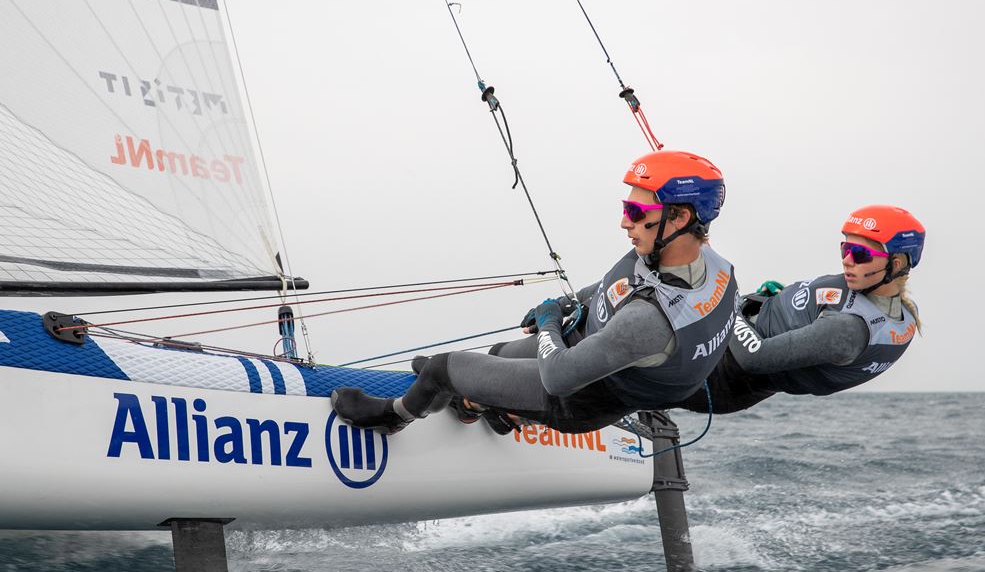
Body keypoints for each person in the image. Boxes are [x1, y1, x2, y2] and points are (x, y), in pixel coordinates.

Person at [332, 150, 739, 434]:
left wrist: (548, 321)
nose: (623, 222)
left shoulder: (647, 322)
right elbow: (614, 287)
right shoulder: (705, 263)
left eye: (635, 212)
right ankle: (488, 411)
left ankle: (394, 416)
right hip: (596, 346)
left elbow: (559, 376)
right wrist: (567, 304)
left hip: (576, 396)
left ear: (680, 216)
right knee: (495, 356)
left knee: (441, 368)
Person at [676, 204, 926, 414]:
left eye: (860, 254)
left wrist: (727, 302)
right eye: (845, 249)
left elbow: (754, 357)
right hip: (725, 341)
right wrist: (780, 298)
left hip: (720, 373)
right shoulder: (883, 303)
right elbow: (815, 317)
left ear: (896, 264)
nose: (847, 260)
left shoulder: (849, 330)